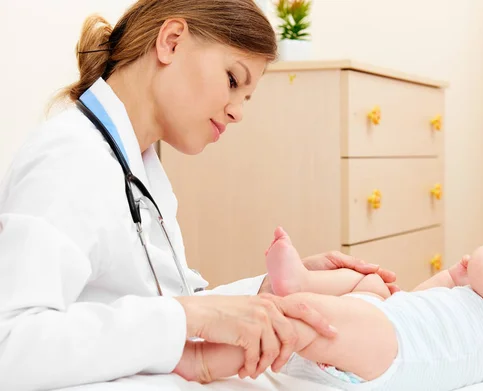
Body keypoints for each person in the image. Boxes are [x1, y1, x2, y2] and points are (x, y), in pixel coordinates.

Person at [0, 1, 399, 390]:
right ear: (171, 41)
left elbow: (174, 303)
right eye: (232, 80)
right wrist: (188, 316)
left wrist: (264, 293)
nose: (238, 112)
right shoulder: (72, 157)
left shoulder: (143, 172)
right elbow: (10, 345)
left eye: (246, 97)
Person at [192, 227, 483, 390]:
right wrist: (452, 280)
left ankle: (209, 363)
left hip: (392, 353)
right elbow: (420, 298)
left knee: (300, 324)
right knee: (371, 284)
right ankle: (301, 283)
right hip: (388, 327)